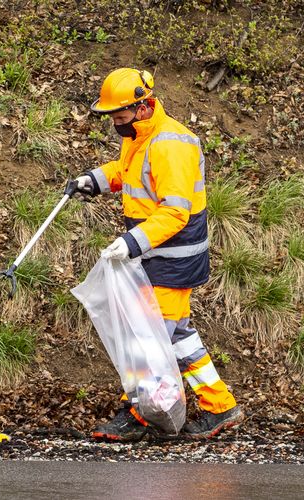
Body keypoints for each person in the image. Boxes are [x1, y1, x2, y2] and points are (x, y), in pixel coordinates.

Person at [73, 68, 245, 441]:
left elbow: (175, 211)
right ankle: (221, 407)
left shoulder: (171, 145)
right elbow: (129, 171)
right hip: (156, 255)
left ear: (144, 106)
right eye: (112, 118)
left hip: (173, 260)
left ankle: (139, 412)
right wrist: (96, 180)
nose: (115, 124)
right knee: (179, 337)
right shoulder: (140, 134)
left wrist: (132, 242)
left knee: (146, 340)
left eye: (119, 116)